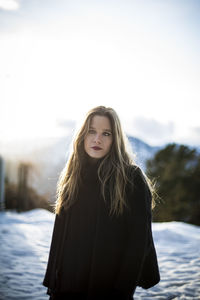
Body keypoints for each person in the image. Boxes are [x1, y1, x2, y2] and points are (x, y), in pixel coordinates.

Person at [43, 106, 160, 300]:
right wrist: (54, 283)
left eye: (106, 133)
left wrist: (121, 293)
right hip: (66, 286)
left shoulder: (130, 178)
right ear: (82, 135)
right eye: (91, 131)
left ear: (115, 139)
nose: (97, 139)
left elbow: (138, 244)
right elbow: (60, 237)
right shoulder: (73, 176)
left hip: (106, 290)